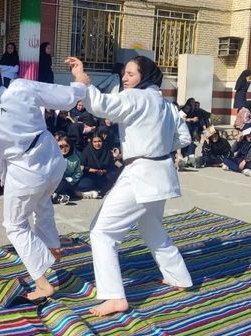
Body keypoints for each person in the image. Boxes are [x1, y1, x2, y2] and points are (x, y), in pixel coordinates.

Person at [67, 55, 193, 316]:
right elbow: (183, 137)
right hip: (161, 172)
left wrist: (84, 81)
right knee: (151, 226)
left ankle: (114, 296)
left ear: (144, 76)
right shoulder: (166, 104)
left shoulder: (136, 97)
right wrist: (157, 148)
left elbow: (101, 105)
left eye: (131, 74)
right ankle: (178, 276)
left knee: (102, 232)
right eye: (124, 73)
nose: (125, 78)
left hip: (142, 173)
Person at [0, 52, 86, 300]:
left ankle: (43, 283)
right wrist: (80, 82)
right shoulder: (20, 87)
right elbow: (65, 98)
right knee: (42, 203)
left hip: (26, 172)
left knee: (15, 225)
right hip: (53, 160)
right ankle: (52, 247)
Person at [76, 134, 116, 199]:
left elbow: (111, 166)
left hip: (104, 176)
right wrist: (91, 169)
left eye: (99, 141)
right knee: (83, 185)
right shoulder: (87, 151)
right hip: (91, 176)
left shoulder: (107, 151)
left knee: (113, 175)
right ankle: (92, 191)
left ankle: (102, 191)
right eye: (95, 142)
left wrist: (104, 171)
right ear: (92, 142)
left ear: (102, 142)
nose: (97, 144)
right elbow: (81, 166)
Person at [52, 136, 82, 205]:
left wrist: (71, 180)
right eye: (61, 146)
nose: (64, 149)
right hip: (54, 182)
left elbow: (78, 172)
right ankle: (59, 197)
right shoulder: (53, 157)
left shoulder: (75, 158)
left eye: (66, 146)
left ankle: (57, 197)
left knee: (63, 184)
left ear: (70, 146)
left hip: (68, 183)